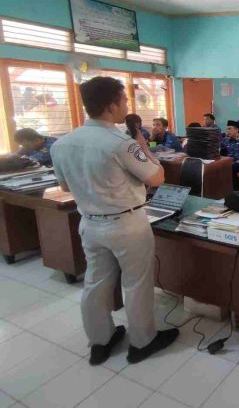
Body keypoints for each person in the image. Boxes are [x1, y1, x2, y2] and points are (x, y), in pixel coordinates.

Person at [50, 77, 178, 366]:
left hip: (90, 224)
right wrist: (143, 145)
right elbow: (157, 178)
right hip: (126, 224)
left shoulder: (62, 144)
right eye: (124, 101)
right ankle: (143, 342)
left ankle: (100, 341)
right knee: (136, 283)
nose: (127, 106)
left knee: (95, 283)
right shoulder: (120, 143)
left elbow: (66, 187)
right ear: (111, 105)